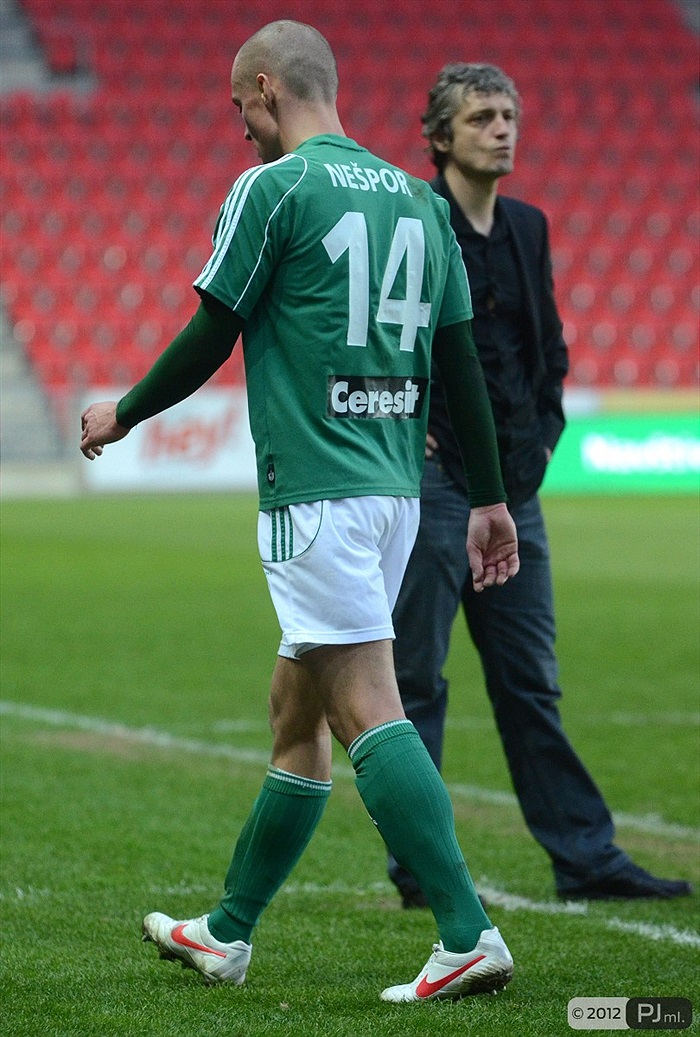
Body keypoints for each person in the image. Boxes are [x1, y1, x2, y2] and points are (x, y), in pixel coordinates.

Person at [80, 23, 522, 1003]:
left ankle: (464, 929)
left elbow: (214, 328)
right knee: (297, 709)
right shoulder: (420, 201)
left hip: (315, 488)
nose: (242, 131)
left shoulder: (272, 191)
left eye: (243, 108)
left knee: (363, 700)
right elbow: (461, 364)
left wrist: (124, 409)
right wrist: (488, 496)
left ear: (268, 88)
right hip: (395, 491)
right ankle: (225, 931)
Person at [387, 62, 693, 907]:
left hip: (514, 493)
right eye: (482, 116)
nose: (502, 127)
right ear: (440, 137)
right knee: (417, 682)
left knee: (531, 683)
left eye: (509, 113)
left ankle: (586, 858)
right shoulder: (412, 221)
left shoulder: (528, 225)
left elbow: (547, 351)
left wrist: (541, 445)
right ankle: (420, 864)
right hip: (436, 484)